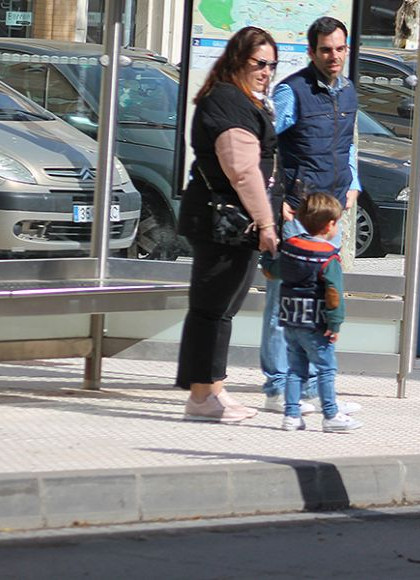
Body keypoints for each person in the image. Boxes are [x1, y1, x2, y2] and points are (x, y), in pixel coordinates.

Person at [175, 26, 280, 422]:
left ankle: (212, 389)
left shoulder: (240, 99)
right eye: (259, 63)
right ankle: (202, 397)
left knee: (222, 309)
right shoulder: (227, 101)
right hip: (223, 222)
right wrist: (266, 222)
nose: (266, 71)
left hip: (235, 223)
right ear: (238, 59)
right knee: (211, 309)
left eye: (271, 64)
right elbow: (242, 172)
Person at [260, 16, 361, 417]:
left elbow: (348, 142)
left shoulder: (349, 91)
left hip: (331, 214)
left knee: (322, 302)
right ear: (311, 51)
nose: (333, 56)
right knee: (283, 302)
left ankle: (318, 388)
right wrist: (274, 198)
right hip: (297, 213)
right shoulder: (292, 91)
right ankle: (278, 385)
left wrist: (354, 184)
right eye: (325, 50)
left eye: (339, 49)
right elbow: (265, 141)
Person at [264, 193, 362, 433]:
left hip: (290, 320)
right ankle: (330, 414)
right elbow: (334, 293)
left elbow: (272, 271)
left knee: (295, 369)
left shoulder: (290, 248)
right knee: (326, 369)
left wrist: (267, 254)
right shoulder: (329, 257)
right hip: (316, 323)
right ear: (329, 225)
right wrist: (335, 323)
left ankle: (291, 415)